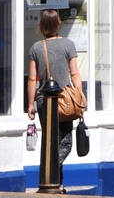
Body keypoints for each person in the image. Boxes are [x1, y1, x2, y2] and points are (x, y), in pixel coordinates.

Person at [27, 12, 83, 189]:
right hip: (65, 100)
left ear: (42, 26)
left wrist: (30, 104)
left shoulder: (36, 48)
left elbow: (32, 79)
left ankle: (53, 180)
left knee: (50, 139)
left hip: (44, 101)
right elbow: (74, 73)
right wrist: (79, 97)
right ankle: (53, 175)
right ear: (58, 24)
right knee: (65, 142)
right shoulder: (68, 45)